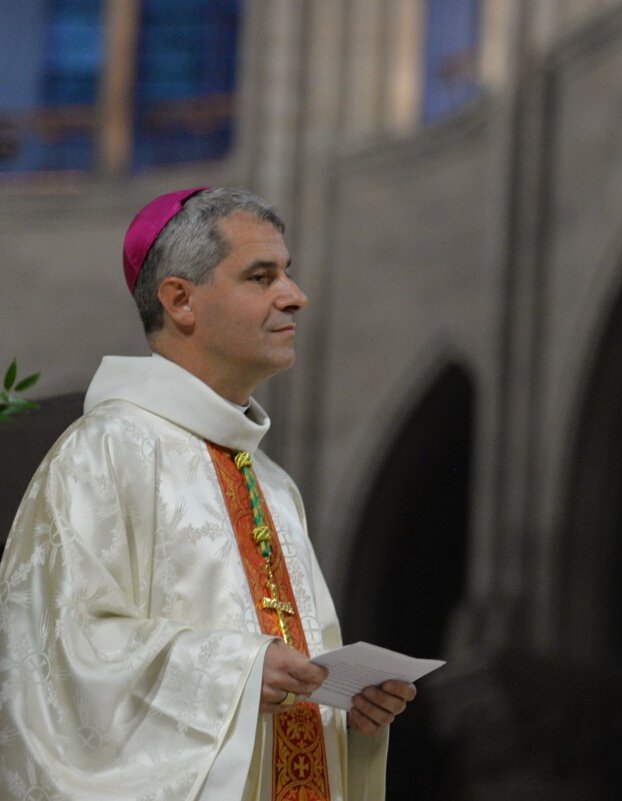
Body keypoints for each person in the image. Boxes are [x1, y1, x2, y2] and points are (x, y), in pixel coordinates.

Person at [0, 187, 415, 800]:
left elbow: (291, 686)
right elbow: (53, 659)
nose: (295, 297)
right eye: (261, 276)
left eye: (288, 274)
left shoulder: (273, 484)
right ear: (180, 300)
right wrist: (238, 673)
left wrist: (348, 714)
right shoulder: (106, 449)